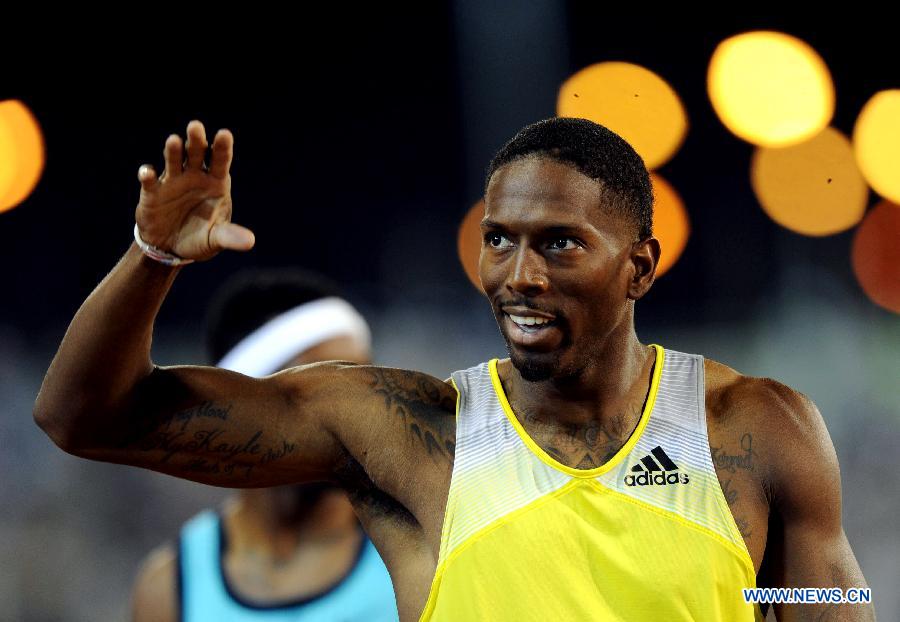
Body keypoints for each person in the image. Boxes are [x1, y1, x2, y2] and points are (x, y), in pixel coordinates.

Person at [35, 118, 874, 621]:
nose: (519, 275)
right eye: (499, 238)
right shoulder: (413, 436)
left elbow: (814, 610)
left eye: (559, 244)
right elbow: (85, 417)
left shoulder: (757, 431)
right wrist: (152, 256)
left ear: (641, 267)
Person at [131, 270, 399, 621]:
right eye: (320, 388)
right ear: (238, 407)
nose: (355, 411)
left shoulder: (420, 546)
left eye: (365, 384)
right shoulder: (169, 589)